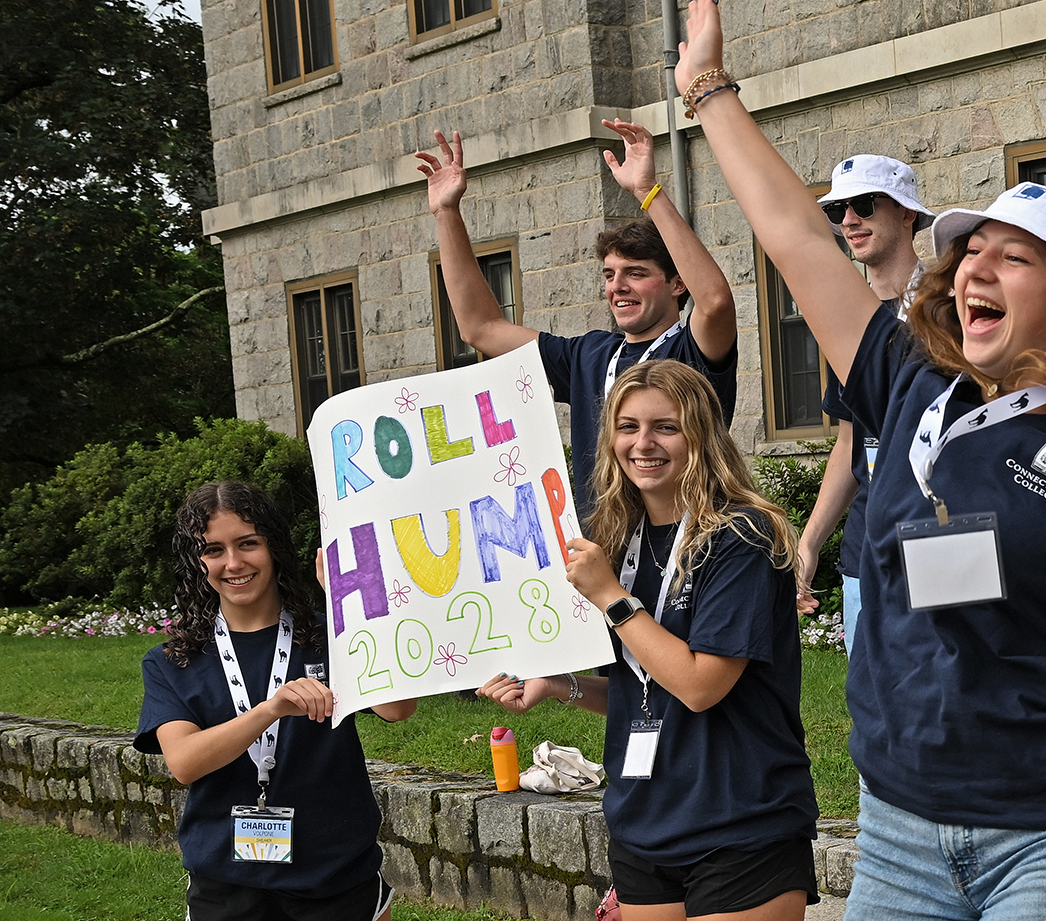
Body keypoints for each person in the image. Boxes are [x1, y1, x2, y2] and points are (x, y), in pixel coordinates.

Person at [673, 0, 1046, 921]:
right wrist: (706, 87)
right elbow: (794, 238)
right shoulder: (910, 379)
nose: (973, 270)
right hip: (900, 828)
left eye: (1013, 258)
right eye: (970, 252)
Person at [479, 360, 817, 921]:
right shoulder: (614, 537)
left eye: (666, 426)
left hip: (739, 821)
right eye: (628, 427)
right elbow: (641, 689)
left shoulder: (741, 535)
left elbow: (699, 686)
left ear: (701, 435)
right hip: (644, 819)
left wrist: (612, 597)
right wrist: (559, 684)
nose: (644, 443)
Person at [419, 120, 740, 509]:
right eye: (609, 275)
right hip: (603, 547)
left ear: (677, 284)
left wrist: (646, 192)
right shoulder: (589, 356)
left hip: (686, 545)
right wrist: (446, 213)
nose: (617, 286)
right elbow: (482, 328)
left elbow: (716, 302)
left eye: (636, 274)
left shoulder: (694, 351)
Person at [138, 481, 419, 921]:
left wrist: (353, 603)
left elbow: (397, 709)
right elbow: (184, 763)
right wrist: (269, 710)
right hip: (226, 884)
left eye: (248, 543)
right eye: (213, 550)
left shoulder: (332, 636)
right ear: (197, 561)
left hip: (335, 875)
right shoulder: (172, 660)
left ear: (274, 547)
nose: (233, 563)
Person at [792, 155, 938, 653]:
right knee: (872, 709)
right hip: (866, 547)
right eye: (838, 211)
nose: (849, 220)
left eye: (863, 205)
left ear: (906, 213)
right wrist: (810, 542)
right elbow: (853, 440)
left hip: (937, 536)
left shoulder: (949, 310)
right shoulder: (845, 325)